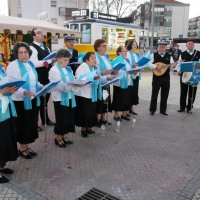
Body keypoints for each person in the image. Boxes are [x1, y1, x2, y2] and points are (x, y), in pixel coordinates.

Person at [7, 42, 43, 159]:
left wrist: (41, 86)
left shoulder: (31, 64)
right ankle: (22, 149)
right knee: (23, 125)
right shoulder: (13, 65)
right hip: (20, 101)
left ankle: (26, 146)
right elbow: (12, 84)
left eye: (25, 52)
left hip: (32, 98)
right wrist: (24, 92)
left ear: (29, 53)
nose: (23, 55)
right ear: (16, 54)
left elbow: (34, 81)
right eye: (20, 53)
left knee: (30, 124)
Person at [49, 49, 76, 148]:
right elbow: (58, 86)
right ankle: (58, 137)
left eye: (68, 60)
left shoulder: (68, 69)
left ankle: (64, 135)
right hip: (60, 98)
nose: (66, 62)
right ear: (58, 59)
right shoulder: (54, 70)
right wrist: (72, 85)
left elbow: (72, 79)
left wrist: (77, 83)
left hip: (69, 96)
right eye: (64, 60)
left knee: (68, 118)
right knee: (61, 118)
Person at [30, 28, 55, 131]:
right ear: (33, 36)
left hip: (47, 77)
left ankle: (45, 119)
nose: (42, 34)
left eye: (42, 32)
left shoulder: (46, 47)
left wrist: (54, 61)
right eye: (39, 33)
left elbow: (49, 63)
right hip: (38, 78)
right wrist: (50, 61)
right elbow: (34, 64)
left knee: (45, 101)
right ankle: (34, 124)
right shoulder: (31, 48)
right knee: (37, 102)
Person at [75, 52, 100, 138]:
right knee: (84, 112)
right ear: (86, 60)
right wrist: (91, 78)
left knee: (91, 112)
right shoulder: (83, 66)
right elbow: (79, 79)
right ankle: (83, 129)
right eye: (92, 58)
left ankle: (89, 127)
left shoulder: (93, 68)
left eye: (95, 58)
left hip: (91, 93)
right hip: (83, 94)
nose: (95, 60)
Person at [0, 66, 18, 183]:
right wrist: (2, 92)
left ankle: (1, 165)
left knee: (5, 139)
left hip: (5, 110)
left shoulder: (1, 69)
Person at [148, 42, 175, 116]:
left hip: (166, 78)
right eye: (160, 47)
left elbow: (172, 66)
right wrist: (155, 66)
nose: (161, 48)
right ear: (158, 47)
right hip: (156, 77)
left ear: (166, 48)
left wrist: (174, 66)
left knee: (165, 94)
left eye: (163, 47)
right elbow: (148, 63)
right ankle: (152, 110)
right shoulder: (153, 55)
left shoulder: (169, 56)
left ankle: (163, 110)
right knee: (154, 94)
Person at [94, 39, 116, 126]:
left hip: (106, 82)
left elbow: (109, 68)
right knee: (99, 102)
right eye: (103, 46)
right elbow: (95, 71)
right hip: (99, 83)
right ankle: (96, 120)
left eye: (105, 46)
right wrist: (104, 73)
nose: (105, 47)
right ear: (98, 48)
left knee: (105, 101)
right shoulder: (95, 57)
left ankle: (103, 119)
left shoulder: (106, 57)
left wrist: (114, 72)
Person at [177, 39, 200, 113]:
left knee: (192, 92)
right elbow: (179, 63)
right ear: (186, 45)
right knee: (183, 91)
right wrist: (178, 71)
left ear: (194, 45)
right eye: (189, 44)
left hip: (194, 76)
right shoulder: (183, 53)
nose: (191, 45)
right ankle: (182, 107)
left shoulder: (198, 53)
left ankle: (189, 107)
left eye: (192, 44)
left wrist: (197, 72)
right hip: (184, 75)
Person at [112, 46, 131, 121]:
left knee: (126, 98)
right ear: (119, 52)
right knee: (118, 99)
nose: (126, 52)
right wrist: (115, 72)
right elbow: (113, 72)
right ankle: (116, 115)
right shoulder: (116, 60)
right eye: (124, 51)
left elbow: (129, 70)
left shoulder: (127, 60)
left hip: (127, 82)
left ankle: (124, 114)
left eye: (126, 51)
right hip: (118, 83)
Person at [126, 39, 140, 115]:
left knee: (134, 92)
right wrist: (132, 66)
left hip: (136, 75)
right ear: (130, 45)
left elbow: (139, 64)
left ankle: (131, 109)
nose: (135, 45)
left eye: (136, 44)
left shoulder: (137, 54)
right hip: (130, 76)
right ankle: (127, 110)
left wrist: (140, 68)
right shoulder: (128, 54)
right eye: (133, 44)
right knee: (129, 93)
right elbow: (127, 65)